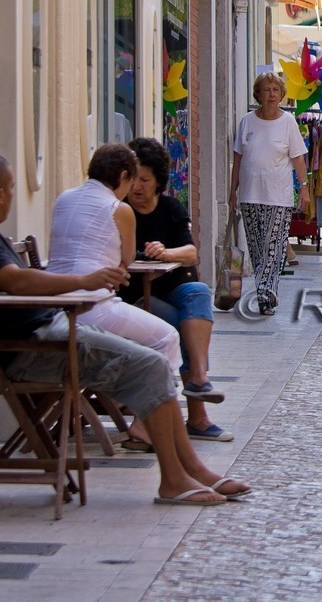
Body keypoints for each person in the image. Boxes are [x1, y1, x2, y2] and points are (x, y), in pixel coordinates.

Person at [0, 155, 251, 505]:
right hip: (38, 347)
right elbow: (15, 280)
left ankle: (190, 471)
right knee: (152, 362)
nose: (14, 196)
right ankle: (175, 479)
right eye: (13, 188)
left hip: (51, 334)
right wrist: (83, 280)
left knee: (153, 358)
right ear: (0, 194)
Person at [126, 137, 230, 442]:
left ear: (158, 181)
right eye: (132, 178)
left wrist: (166, 253)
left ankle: (198, 377)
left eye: (144, 179)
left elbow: (191, 253)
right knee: (182, 323)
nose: (137, 186)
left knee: (197, 291)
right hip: (134, 296)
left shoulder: (170, 207)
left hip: (171, 287)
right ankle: (197, 415)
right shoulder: (119, 211)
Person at [48, 143, 181, 372]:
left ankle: (126, 397)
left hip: (53, 303)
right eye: (131, 181)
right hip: (92, 306)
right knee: (167, 337)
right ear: (122, 176)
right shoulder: (119, 209)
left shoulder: (63, 199)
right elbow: (127, 258)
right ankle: (154, 403)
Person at [228, 71, 308, 315]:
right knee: (256, 247)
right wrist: (232, 192)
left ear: (282, 95)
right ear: (258, 95)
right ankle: (265, 289)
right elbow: (238, 159)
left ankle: (265, 294)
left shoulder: (288, 123)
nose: (271, 94)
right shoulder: (247, 122)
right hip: (250, 195)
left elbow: (298, 158)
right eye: (266, 90)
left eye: (275, 90)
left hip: (278, 197)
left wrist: (303, 188)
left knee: (272, 248)